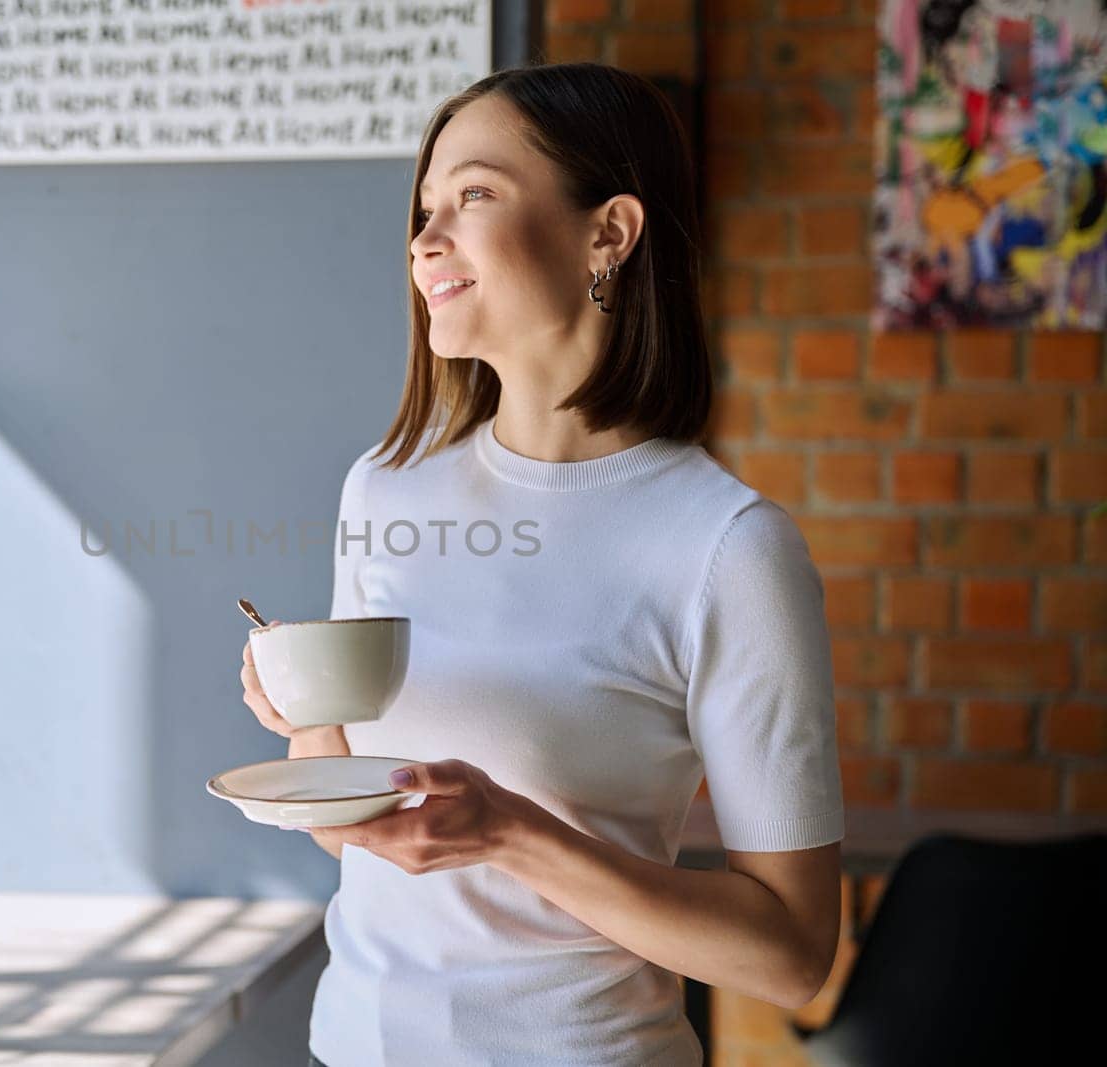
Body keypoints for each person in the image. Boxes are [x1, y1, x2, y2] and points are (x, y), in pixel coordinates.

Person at [238, 62, 844, 1067]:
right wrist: (308, 714)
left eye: (472, 194)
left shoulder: (728, 546)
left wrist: (513, 834)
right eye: (423, 208)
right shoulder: (383, 489)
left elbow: (789, 955)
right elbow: (356, 838)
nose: (425, 239)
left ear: (607, 232)